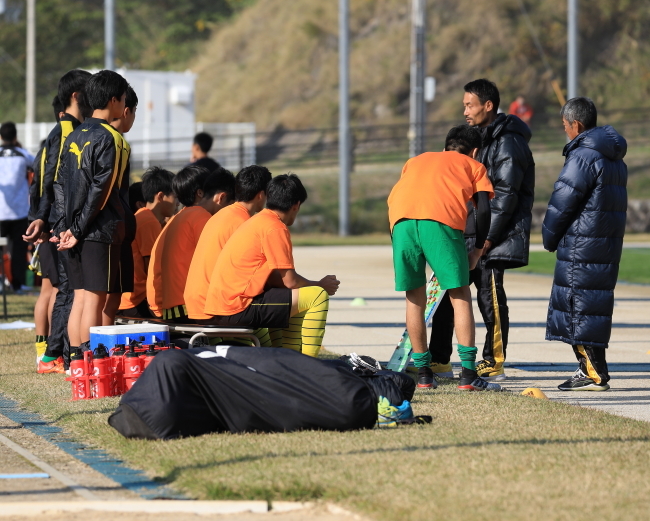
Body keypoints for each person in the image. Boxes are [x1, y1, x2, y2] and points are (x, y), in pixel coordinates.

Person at [429, 79, 535, 382]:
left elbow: (506, 195)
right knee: (448, 297)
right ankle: (438, 359)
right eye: (464, 105)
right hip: (467, 232)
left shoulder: (509, 141)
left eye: (469, 105)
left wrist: (488, 238)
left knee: (490, 299)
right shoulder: (479, 138)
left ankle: (492, 360)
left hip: (493, 236)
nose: (465, 111)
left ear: (488, 105)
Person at [388, 125, 498, 390]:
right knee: (459, 294)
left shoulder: (414, 161)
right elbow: (483, 211)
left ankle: (424, 373)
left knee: (415, 297)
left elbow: (399, 196)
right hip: (439, 222)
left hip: (400, 223)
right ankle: (469, 375)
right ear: (475, 151)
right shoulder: (472, 165)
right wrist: (478, 249)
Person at [202, 174, 340, 357]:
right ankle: (309, 365)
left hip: (221, 306)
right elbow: (290, 281)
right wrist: (319, 285)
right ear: (296, 205)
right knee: (317, 296)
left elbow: (278, 280)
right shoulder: (275, 227)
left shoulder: (257, 221)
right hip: (235, 307)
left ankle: (288, 361)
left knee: (289, 299)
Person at [542, 98, 627, 391]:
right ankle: (591, 368)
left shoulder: (584, 155)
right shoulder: (614, 156)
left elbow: (563, 200)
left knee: (577, 306)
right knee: (592, 307)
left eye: (565, 125)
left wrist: (549, 236)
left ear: (575, 125)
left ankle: (593, 373)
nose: (564, 130)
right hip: (604, 243)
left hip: (582, 243)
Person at [55, 69, 129, 356]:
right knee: (95, 301)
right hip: (98, 231)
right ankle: (91, 362)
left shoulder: (74, 135)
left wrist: (65, 227)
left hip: (74, 230)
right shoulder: (109, 137)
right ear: (113, 100)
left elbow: (60, 185)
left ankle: (75, 363)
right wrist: (76, 229)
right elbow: (102, 189)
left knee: (80, 299)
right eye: (122, 99)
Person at [23, 69, 91, 372]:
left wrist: (40, 217)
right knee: (66, 289)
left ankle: (55, 354)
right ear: (77, 97)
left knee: (63, 289)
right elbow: (50, 181)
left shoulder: (65, 131)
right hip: (61, 225)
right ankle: (57, 356)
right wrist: (48, 220)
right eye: (90, 92)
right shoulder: (66, 133)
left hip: (56, 222)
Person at [147, 165, 234, 322]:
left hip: (169, 307)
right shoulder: (201, 217)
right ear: (201, 193)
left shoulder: (177, 218)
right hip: (187, 306)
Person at [185, 165, 272, 321]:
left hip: (195, 301)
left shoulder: (220, 215)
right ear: (261, 195)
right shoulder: (244, 223)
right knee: (305, 298)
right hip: (214, 306)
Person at [26, 96, 66, 371]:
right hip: (51, 226)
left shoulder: (42, 153)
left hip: (43, 225)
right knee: (54, 289)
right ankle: (48, 355)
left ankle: (43, 351)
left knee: (46, 290)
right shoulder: (53, 151)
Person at [118, 167, 176, 319]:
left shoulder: (142, 217)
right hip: (138, 299)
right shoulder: (149, 221)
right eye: (174, 197)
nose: (177, 203)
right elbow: (152, 266)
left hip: (127, 298)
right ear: (161, 196)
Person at [102, 85, 138, 326]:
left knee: (90, 298)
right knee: (108, 296)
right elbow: (111, 190)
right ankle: (97, 352)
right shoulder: (118, 143)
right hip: (111, 228)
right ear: (126, 111)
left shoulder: (90, 136)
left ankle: (85, 355)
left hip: (93, 227)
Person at [0, 122, 34, 294]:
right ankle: (17, 284)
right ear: (15, 137)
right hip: (19, 212)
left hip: (0, 211)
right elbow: (36, 166)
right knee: (19, 251)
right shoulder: (22, 155)